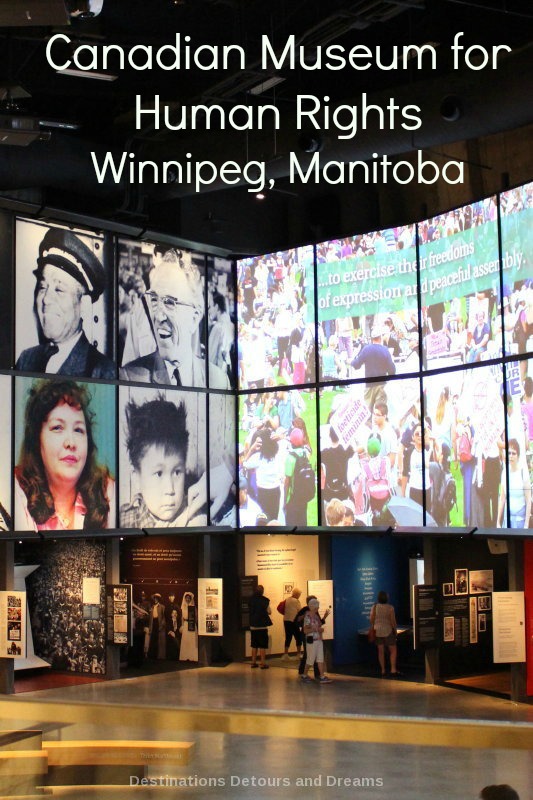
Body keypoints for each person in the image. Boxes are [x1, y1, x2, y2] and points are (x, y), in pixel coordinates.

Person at [14, 379, 115, 531]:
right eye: (58, 428)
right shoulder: (15, 491)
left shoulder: (107, 491)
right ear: (37, 439)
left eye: (78, 430)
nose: (71, 443)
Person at [120, 248, 228, 388]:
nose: (158, 316)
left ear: (195, 318)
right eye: (154, 300)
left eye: (169, 302)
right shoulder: (130, 379)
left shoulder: (218, 381)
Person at [16, 227, 115, 379]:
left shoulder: (103, 372)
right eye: (43, 287)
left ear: (84, 305)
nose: (46, 299)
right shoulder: (26, 359)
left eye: (59, 289)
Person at [120, 394, 207, 528]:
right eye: (159, 474)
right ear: (137, 478)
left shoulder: (197, 517)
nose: (170, 489)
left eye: (177, 472)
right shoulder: (122, 520)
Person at [350, 325, 396, 409]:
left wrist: (351, 360)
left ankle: (368, 422)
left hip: (369, 385)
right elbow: (392, 371)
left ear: (372, 338)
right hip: (382, 385)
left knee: (367, 413)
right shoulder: (385, 350)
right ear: (380, 337)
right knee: (380, 411)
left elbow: (356, 365)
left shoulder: (366, 349)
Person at [497, 438, 531, 528]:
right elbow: (502, 499)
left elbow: (528, 501)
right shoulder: (504, 473)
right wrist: (498, 522)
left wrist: (526, 525)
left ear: (518, 456)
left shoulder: (524, 474)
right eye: (509, 453)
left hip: (521, 522)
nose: (511, 456)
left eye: (513, 453)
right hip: (507, 522)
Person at [301, 598, 332, 683]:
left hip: (318, 640)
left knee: (320, 658)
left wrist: (320, 628)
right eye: (316, 607)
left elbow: (319, 625)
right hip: (312, 641)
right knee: (310, 659)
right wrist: (316, 629)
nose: (317, 609)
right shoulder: (307, 617)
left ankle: (322, 676)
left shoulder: (316, 616)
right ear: (312, 607)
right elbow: (305, 631)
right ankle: (304, 675)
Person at [370, 590, 400, 678]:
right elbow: (393, 621)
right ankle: (393, 669)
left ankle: (383, 670)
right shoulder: (390, 608)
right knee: (393, 650)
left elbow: (371, 619)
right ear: (386, 598)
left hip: (377, 631)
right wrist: (395, 630)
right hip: (388, 631)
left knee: (380, 652)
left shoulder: (374, 607)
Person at [248, 585, 272, 669]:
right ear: (262, 591)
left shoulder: (251, 600)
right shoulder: (265, 600)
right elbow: (269, 611)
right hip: (262, 626)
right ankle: (262, 663)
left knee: (254, 645)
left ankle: (253, 662)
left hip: (253, 625)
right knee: (262, 645)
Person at [282, 588, 302, 660]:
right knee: (298, 637)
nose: (299, 596)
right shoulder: (296, 601)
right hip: (294, 621)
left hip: (286, 620)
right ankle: (298, 654)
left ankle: (285, 654)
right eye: (299, 594)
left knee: (288, 637)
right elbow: (300, 611)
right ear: (297, 594)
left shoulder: (287, 599)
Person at [145, 593, 166, 660]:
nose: (155, 600)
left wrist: (161, 625)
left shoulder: (162, 607)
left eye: (156, 598)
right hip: (153, 623)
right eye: (154, 598)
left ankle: (159, 656)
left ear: (159, 599)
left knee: (159, 640)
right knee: (153, 640)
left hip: (159, 624)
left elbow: (164, 618)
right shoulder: (151, 607)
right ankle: (152, 655)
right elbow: (150, 618)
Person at [179, 591, 198, 661]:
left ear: (190, 599)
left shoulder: (193, 607)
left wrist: (193, 624)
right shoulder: (183, 607)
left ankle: (192, 657)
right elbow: (182, 617)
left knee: (192, 641)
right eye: (186, 598)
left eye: (188, 598)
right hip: (186, 624)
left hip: (191, 625)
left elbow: (196, 617)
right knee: (186, 641)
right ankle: (185, 657)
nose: (187, 599)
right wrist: (182, 625)